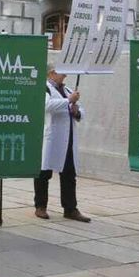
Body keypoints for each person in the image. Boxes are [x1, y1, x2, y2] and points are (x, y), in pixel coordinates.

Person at [35, 67, 88, 222]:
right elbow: (46, 105)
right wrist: (68, 101)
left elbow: (81, 110)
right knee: (43, 173)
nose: (65, 74)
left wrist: (77, 111)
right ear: (51, 73)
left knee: (69, 174)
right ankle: (40, 206)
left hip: (68, 138)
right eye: (61, 71)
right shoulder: (44, 88)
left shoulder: (68, 89)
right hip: (51, 137)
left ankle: (70, 208)